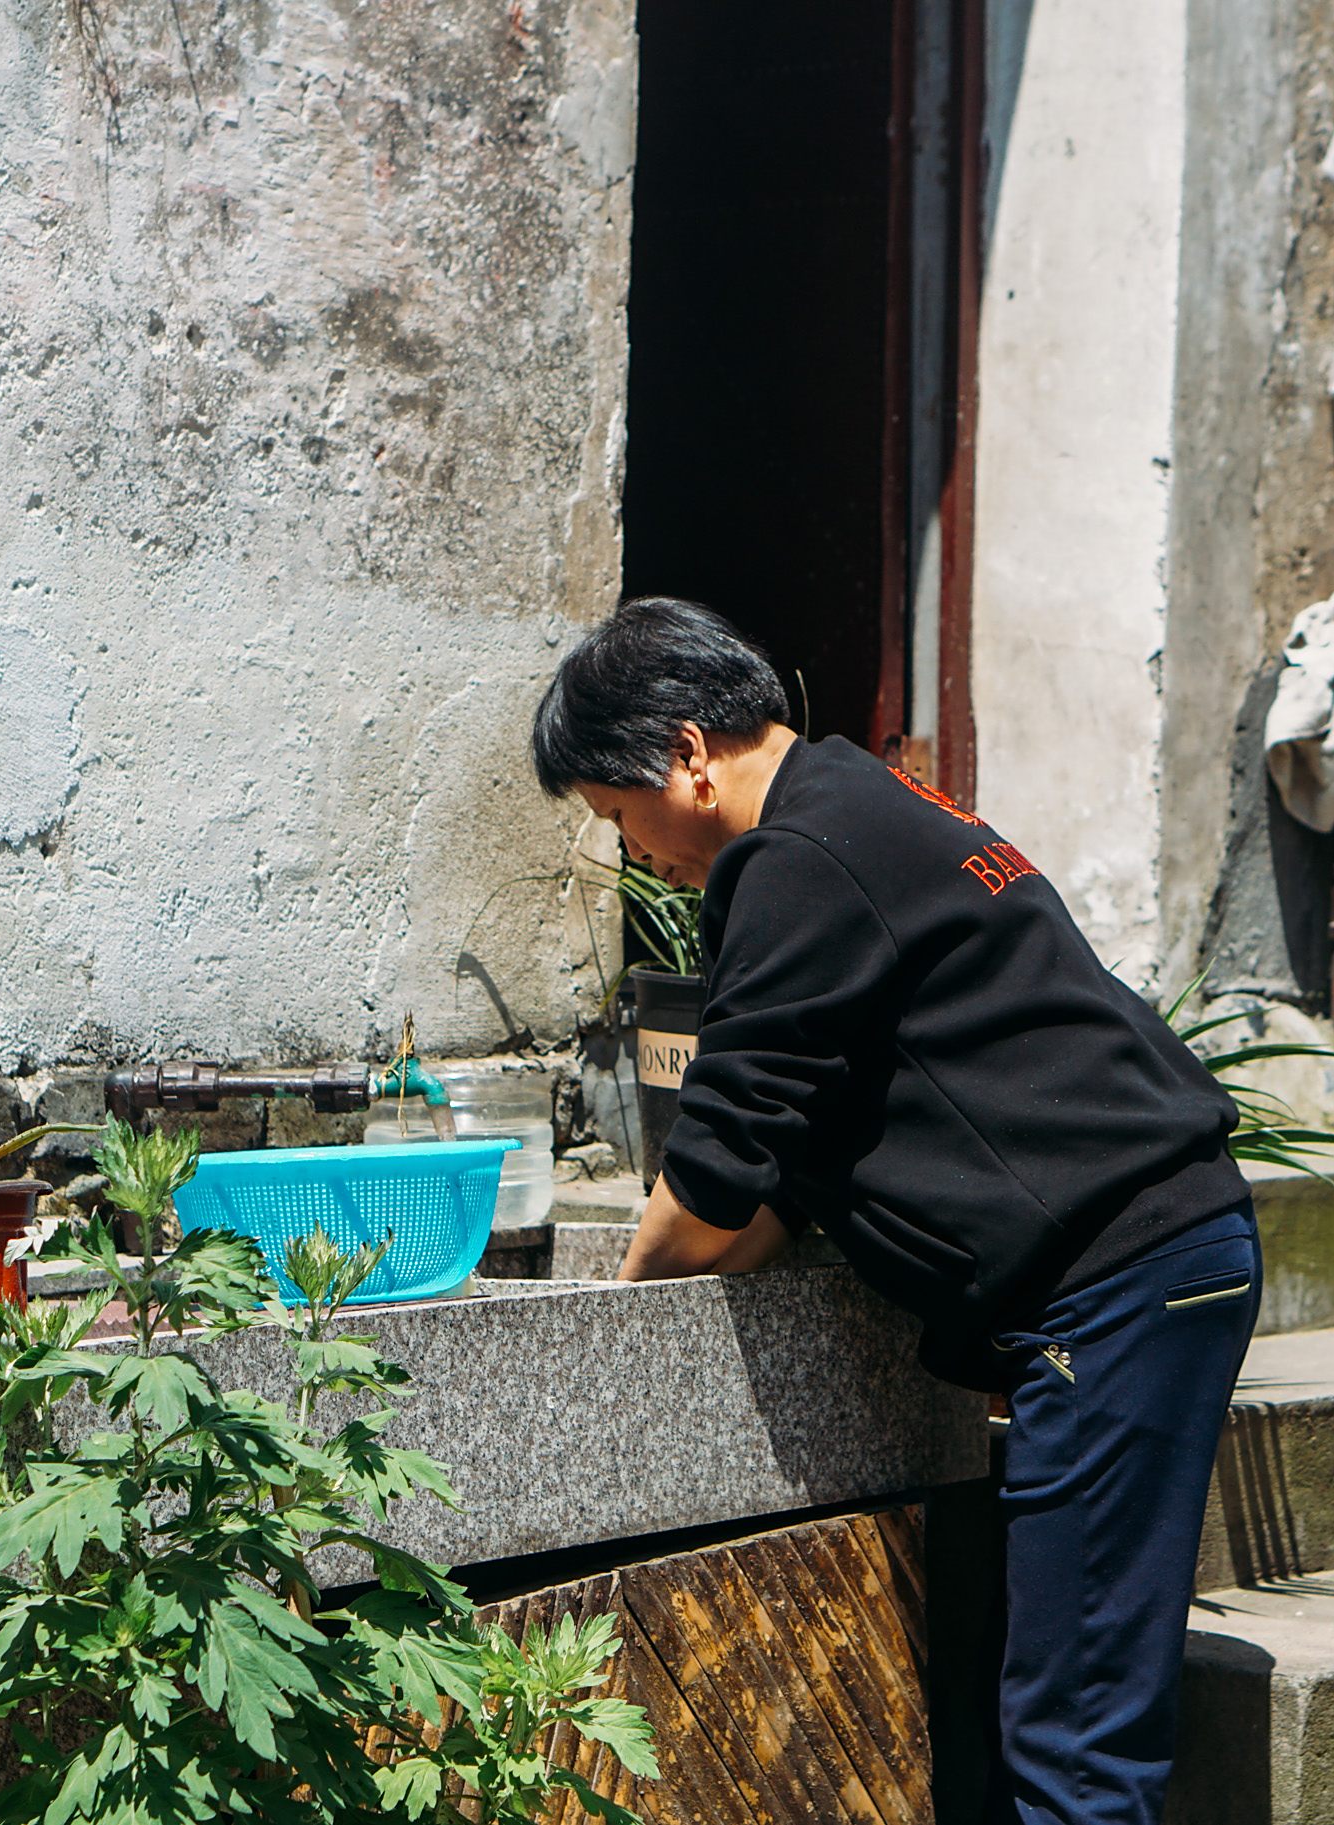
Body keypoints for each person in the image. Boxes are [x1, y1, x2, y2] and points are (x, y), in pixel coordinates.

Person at [531, 596, 1261, 1825]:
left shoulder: (797, 858)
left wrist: (609, 1327)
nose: (632, 850)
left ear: (685, 756)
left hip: (1115, 1280)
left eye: (616, 814)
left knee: (1077, 1734)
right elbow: (786, 1170)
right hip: (1157, 1257)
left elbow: (715, 1171)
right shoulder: (862, 807)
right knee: (1065, 1704)